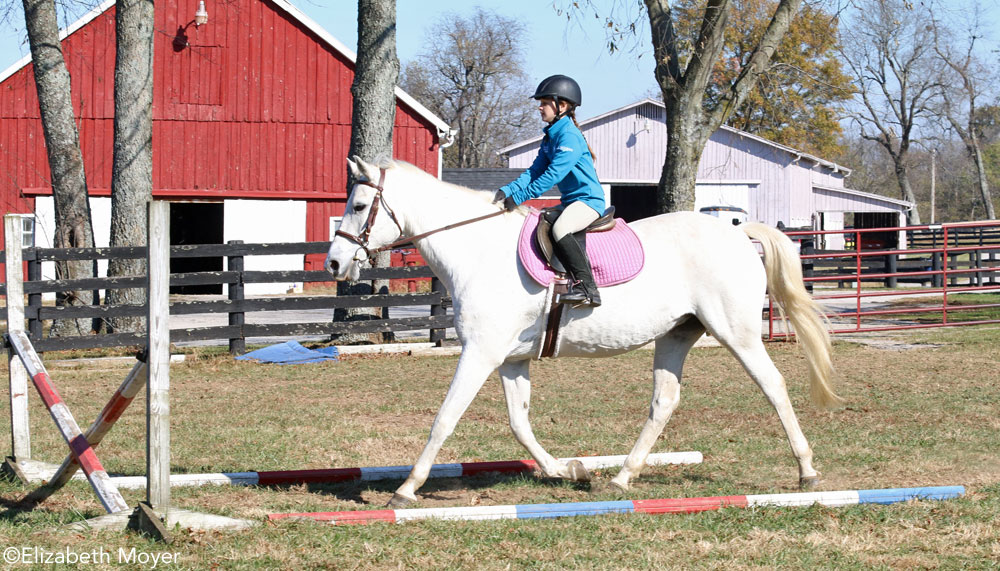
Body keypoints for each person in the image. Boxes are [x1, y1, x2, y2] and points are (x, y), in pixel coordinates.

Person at [494, 75, 605, 307]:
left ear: (561, 106)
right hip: (570, 201)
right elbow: (534, 172)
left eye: (544, 102)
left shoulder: (569, 136)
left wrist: (521, 197)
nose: (540, 106)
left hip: (588, 202)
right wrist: (507, 191)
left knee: (562, 228)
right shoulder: (552, 136)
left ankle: (587, 288)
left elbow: (552, 176)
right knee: (541, 219)